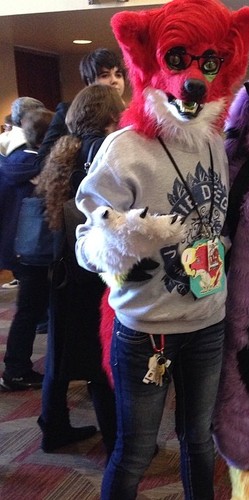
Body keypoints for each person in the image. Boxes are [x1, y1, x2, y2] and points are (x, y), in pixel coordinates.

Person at [74, 1, 249, 498]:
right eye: (177, 59)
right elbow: (86, 245)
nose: (194, 77)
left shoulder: (212, 142)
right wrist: (119, 240)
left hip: (208, 320)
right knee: (136, 449)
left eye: (208, 63)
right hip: (147, 328)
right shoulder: (124, 148)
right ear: (151, 62)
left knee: (199, 440)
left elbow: (215, 219)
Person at [35, 84, 125, 455]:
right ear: (111, 116)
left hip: (62, 270)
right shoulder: (105, 151)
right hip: (91, 271)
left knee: (60, 354)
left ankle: (53, 427)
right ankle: (117, 439)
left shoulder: (64, 150)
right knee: (99, 356)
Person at [0, 100, 53, 391]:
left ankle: (17, 367)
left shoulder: (9, 162)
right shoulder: (42, 166)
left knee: (28, 310)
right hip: (36, 250)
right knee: (30, 311)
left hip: (16, 247)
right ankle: (16, 370)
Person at [34, 48, 126, 171]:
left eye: (118, 75)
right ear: (89, 81)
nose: (114, 81)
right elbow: (42, 160)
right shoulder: (68, 111)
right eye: (105, 75)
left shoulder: (131, 113)